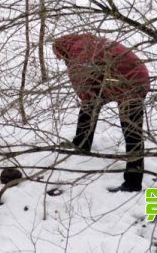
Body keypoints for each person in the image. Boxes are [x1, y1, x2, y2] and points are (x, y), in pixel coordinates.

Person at [53, 33, 150, 192]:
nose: (62, 61)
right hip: (121, 75)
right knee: (90, 105)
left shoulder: (78, 51)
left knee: (131, 130)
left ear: (63, 50)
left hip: (132, 80)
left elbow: (81, 82)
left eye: (61, 57)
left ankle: (133, 182)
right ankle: (82, 144)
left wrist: (87, 97)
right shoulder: (84, 41)